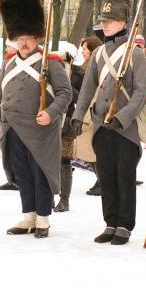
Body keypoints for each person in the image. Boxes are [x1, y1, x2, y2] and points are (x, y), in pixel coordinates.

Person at [0, 0, 71, 238]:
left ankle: (43, 219)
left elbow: (66, 94)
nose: (23, 43)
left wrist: (50, 113)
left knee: (40, 173)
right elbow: (0, 94)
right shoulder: (8, 62)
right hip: (11, 126)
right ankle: (28, 217)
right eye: (19, 38)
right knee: (21, 174)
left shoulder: (51, 62)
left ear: (37, 38)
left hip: (39, 128)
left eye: (28, 38)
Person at [72, 0, 146, 245]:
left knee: (124, 177)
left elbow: (141, 92)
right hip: (101, 126)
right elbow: (87, 88)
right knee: (106, 176)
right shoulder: (98, 54)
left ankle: (125, 225)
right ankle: (110, 222)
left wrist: (123, 117)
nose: (104, 25)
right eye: (103, 21)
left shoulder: (135, 54)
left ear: (124, 22)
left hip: (123, 128)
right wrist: (78, 115)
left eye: (110, 21)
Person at [54, 43, 84, 213]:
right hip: (51, 120)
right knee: (48, 161)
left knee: (64, 161)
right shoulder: (51, 70)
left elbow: (82, 97)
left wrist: (66, 85)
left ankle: (64, 200)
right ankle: (48, 196)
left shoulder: (79, 74)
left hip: (68, 122)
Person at [76, 36, 103, 196]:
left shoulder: (96, 67)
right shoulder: (85, 66)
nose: (82, 52)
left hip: (92, 113)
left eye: (85, 49)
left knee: (94, 151)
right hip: (85, 112)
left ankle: (102, 181)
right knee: (88, 151)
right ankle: (100, 180)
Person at [0, 39, 19, 191]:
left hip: (12, 112)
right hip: (1, 109)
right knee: (2, 146)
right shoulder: (7, 62)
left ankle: (16, 178)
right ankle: (11, 178)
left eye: (9, 46)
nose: (6, 49)